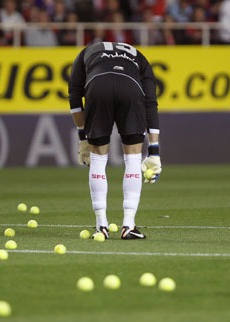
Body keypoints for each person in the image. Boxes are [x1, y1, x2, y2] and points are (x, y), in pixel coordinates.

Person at [68, 41, 162, 240]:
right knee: (133, 158)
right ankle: (128, 226)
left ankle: (100, 225)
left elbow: (75, 98)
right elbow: (150, 102)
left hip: (97, 86)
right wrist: (154, 151)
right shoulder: (139, 56)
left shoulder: (85, 52)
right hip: (130, 87)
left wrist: (83, 138)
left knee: (98, 157)